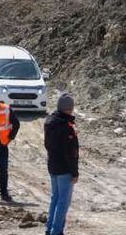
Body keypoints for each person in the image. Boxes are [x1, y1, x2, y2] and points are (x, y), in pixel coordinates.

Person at [44, 93, 79, 235]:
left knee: (55, 198)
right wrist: (75, 172)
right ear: (69, 109)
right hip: (64, 169)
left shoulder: (49, 121)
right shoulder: (67, 126)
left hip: (52, 165)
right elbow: (71, 153)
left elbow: (47, 144)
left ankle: (49, 228)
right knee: (63, 202)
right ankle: (56, 231)